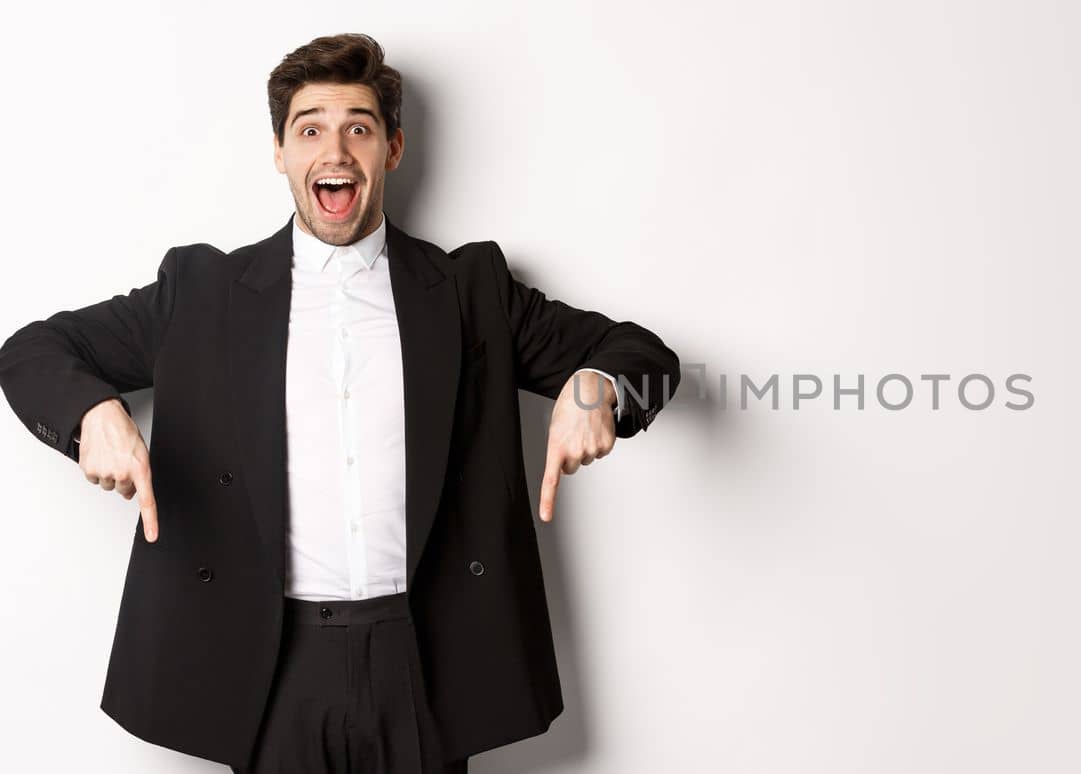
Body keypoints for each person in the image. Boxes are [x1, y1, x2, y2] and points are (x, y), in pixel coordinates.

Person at [0, 32, 679, 773]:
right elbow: (29, 353)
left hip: (425, 663)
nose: (335, 150)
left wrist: (598, 388)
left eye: (358, 127)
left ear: (391, 148)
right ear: (280, 152)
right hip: (267, 666)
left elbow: (650, 360)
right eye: (310, 128)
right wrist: (90, 415)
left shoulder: (468, 291)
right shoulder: (201, 295)